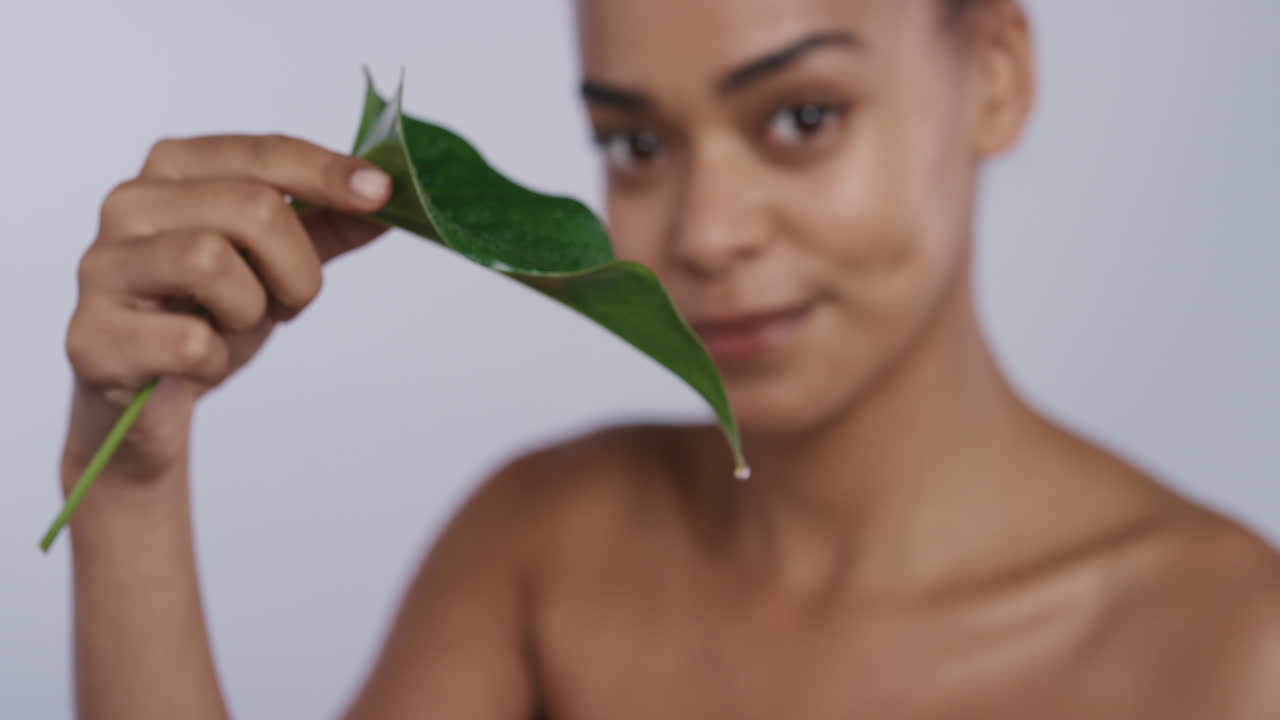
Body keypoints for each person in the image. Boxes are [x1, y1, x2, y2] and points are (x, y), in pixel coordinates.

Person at [59, 0, 1280, 717]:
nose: (701, 234)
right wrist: (131, 483)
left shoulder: (1227, 648)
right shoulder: (543, 547)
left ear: (996, 79)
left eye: (800, 120)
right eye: (636, 143)